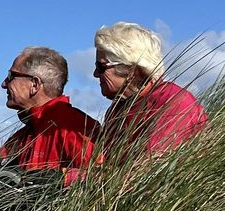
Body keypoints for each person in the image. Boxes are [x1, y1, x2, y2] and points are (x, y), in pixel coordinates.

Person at [0, 46, 100, 181]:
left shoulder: (77, 128)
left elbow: (101, 177)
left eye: (11, 76)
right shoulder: (24, 134)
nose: (3, 84)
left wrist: (56, 179)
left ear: (35, 84)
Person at [89, 22, 209, 163]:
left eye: (102, 67)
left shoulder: (172, 103)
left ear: (132, 70)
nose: (95, 74)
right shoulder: (117, 110)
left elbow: (144, 173)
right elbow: (109, 168)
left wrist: (68, 177)